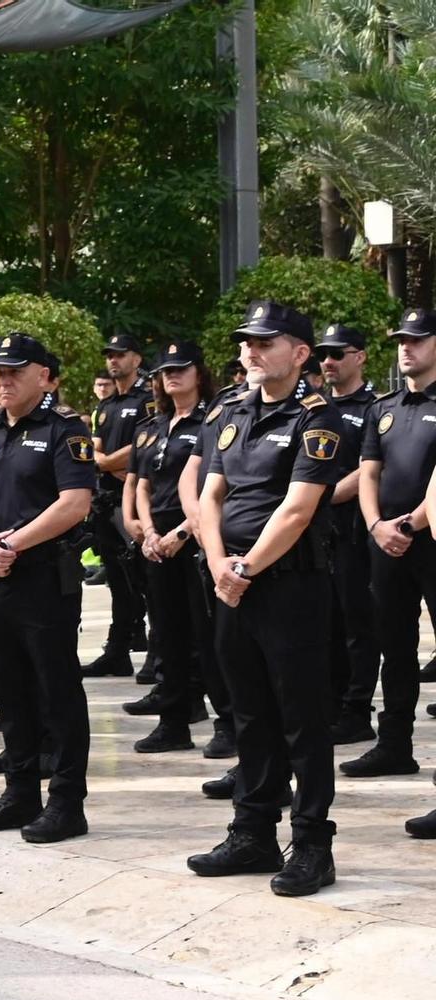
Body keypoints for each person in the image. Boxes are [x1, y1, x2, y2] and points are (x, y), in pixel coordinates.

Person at [188, 300, 340, 896]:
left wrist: (245, 566)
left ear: (300, 354)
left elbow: (298, 510)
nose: (250, 351)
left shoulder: (317, 419)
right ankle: (252, 832)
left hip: (289, 585)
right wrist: (219, 562)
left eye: (265, 342)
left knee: (302, 719)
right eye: (246, 342)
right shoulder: (232, 413)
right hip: (232, 582)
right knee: (248, 714)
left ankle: (313, 845)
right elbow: (211, 496)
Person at [0, 332, 95, 843]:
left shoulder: (64, 430)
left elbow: (74, 503)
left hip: (43, 575)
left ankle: (67, 802)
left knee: (56, 688)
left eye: (14, 371)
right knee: (8, 685)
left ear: (45, 377)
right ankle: (19, 793)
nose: (2, 380)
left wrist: (11, 544)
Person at [349, 309, 436, 784]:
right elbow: (369, 474)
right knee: (394, 648)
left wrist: (410, 524)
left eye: (417, 339)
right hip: (386, 543)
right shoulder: (383, 408)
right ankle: (394, 745)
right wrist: (377, 525)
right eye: (402, 340)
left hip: (430, 539)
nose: (406, 347)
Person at [126, 342, 220, 755]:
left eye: (181, 368)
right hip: (157, 542)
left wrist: (181, 532)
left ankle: (227, 723)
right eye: (166, 371)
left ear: (199, 373)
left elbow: (215, 485)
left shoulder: (212, 421)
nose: (172, 376)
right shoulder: (153, 425)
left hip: (196, 537)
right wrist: (148, 531)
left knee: (207, 635)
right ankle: (174, 722)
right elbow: (143, 485)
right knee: (167, 635)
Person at [310, 324, 382, 747]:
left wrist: (322, 495)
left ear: (360, 357)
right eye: (324, 354)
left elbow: (372, 467)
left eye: (338, 354)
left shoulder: (373, 407)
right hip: (315, 531)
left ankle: (356, 711)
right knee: (325, 623)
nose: (329, 362)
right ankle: (332, 703)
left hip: (352, 530)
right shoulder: (315, 407)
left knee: (357, 625)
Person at [87, 334, 155, 675]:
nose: (113, 360)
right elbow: (94, 448)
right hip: (106, 500)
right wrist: (106, 463)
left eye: (120, 354)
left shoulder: (148, 400)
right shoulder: (106, 405)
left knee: (147, 579)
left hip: (134, 503)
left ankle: (158, 653)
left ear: (136, 359)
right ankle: (118, 651)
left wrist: (106, 462)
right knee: (117, 579)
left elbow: (143, 447)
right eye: (110, 355)